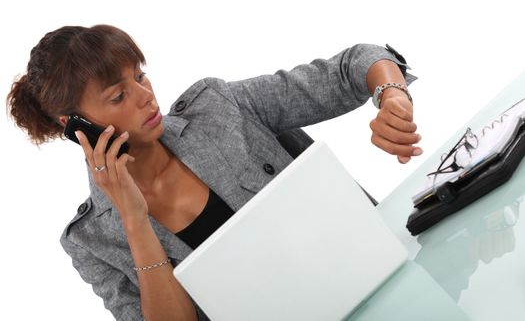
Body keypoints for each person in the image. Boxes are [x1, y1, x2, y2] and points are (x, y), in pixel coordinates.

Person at [6, 24, 422, 321]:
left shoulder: (219, 108)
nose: (146, 97)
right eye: (118, 95)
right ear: (74, 125)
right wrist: (135, 222)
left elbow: (351, 66)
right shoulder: (92, 241)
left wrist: (392, 94)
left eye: (140, 76)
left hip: (392, 285)